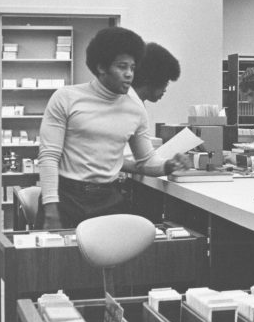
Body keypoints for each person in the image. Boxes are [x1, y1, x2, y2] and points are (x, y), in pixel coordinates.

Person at [38, 27, 188, 229]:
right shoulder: (66, 98)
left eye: (133, 68)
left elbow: (145, 160)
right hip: (66, 198)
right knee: (60, 260)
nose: (129, 74)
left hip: (108, 198)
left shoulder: (135, 109)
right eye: (122, 67)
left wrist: (168, 165)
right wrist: (50, 209)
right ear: (101, 67)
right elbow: (49, 156)